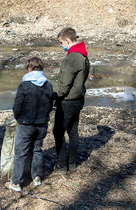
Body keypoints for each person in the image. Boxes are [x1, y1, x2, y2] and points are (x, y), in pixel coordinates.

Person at [5, 57, 53, 192]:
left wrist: (17, 117)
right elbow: (50, 105)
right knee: (37, 150)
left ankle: (16, 183)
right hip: (42, 123)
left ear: (29, 69)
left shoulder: (24, 85)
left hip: (26, 124)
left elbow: (17, 106)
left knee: (20, 152)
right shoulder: (48, 85)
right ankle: (36, 177)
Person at [53, 27, 90, 173]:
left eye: (61, 42)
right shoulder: (83, 55)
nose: (61, 45)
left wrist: (52, 95)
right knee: (73, 130)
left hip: (68, 101)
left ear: (67, 40)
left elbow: (64, 86)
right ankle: (73, 163)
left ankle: (62, 165)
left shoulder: (72, 58)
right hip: (78, 99)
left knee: (58, 132)